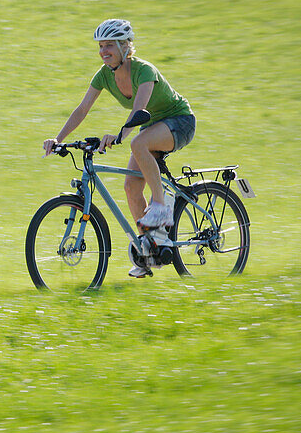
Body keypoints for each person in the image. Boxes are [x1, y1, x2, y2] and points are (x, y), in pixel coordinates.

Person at [42, 19, 197, 278]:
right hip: (151, 127)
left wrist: (120, 135)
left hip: (179, 121)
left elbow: (139, 110)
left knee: (138, 143)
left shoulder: (144, 71)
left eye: (110, 46)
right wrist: (57, 139)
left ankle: (160, 205)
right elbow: (82, 110)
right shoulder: (104, 75)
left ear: (125, 47)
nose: (104, 51)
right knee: (131, 186)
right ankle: (149, 248)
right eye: (101, 46)